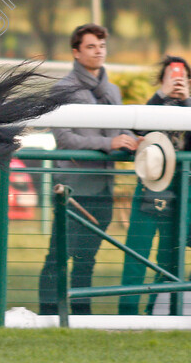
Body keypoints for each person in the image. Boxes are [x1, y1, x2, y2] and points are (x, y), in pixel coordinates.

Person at [38, 23, 139, 315]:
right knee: (58, 255)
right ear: (76, 52)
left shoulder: (113, 90)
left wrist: (133, 140)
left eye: (102, 46)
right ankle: (48, 314)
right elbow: (65, 139)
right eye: (91, 46)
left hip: (104, 187)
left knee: (88, 258)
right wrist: (109, 142)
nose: (98, 52)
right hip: (71, 188)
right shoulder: (63, 88)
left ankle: (81, 315)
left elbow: (120, 131)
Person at [118, 56, 191, 315]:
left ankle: (156, 313)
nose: (177, 82)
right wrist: (162, 96)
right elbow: (140, 127)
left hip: (181, 194)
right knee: (136, 258)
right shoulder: (153, 104)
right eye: (171, 77)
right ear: (161, 81)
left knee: (170, 261)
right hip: (149, 189)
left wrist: (186, 101)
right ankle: (126, 314)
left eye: (183, 77)